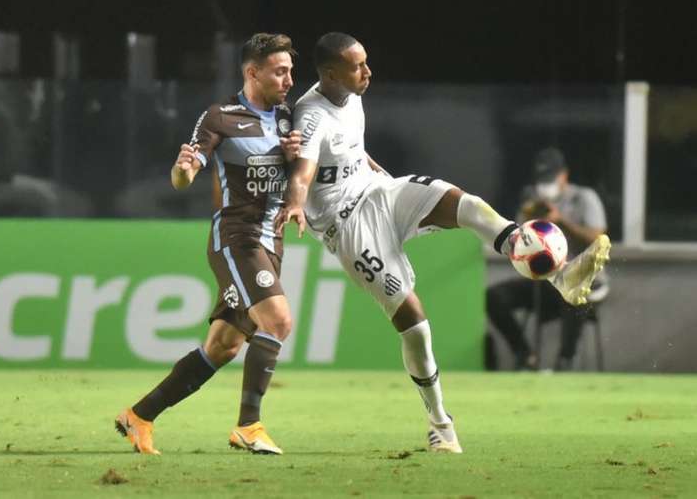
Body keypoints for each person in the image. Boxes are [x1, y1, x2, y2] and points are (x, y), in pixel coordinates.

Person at [276, 32, 611, 453]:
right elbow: (304, 173)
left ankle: (557, 276)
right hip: (348, 228)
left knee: (463, 202)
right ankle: (440, 422)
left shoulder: (352, 95)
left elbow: (353, 152)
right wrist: (293, 204)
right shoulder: (311, 117)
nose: (368, 71)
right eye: (357, 66)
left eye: (366, 62)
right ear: (329, 73)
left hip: (380, 192)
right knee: (414, 324)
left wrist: (380, 173)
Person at [115, 32, 302, 455]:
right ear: (253, 72)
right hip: (237, 239)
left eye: (291, 71)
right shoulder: (220, 117)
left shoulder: (289, 119)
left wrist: (295, 161)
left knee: (223, 346)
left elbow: (299, 172)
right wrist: (182, 170)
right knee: (278, 320)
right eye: (280, 71)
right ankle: (249, 426)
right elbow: (184, 175)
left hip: (271, 242)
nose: (289, 80)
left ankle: (139, 415)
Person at [486, 147, 610, 371]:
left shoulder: (584, 198)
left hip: (584, 280)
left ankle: (566, 360)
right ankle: (525, 356)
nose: (546, 185)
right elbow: (516, 246)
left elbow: (598, 240)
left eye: (550, 178)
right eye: (542, 179)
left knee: (571, 293)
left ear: (564, 175)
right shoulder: (533, 200)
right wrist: (528, 222)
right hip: (544, 279)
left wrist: (560, 221)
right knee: (494, 297)